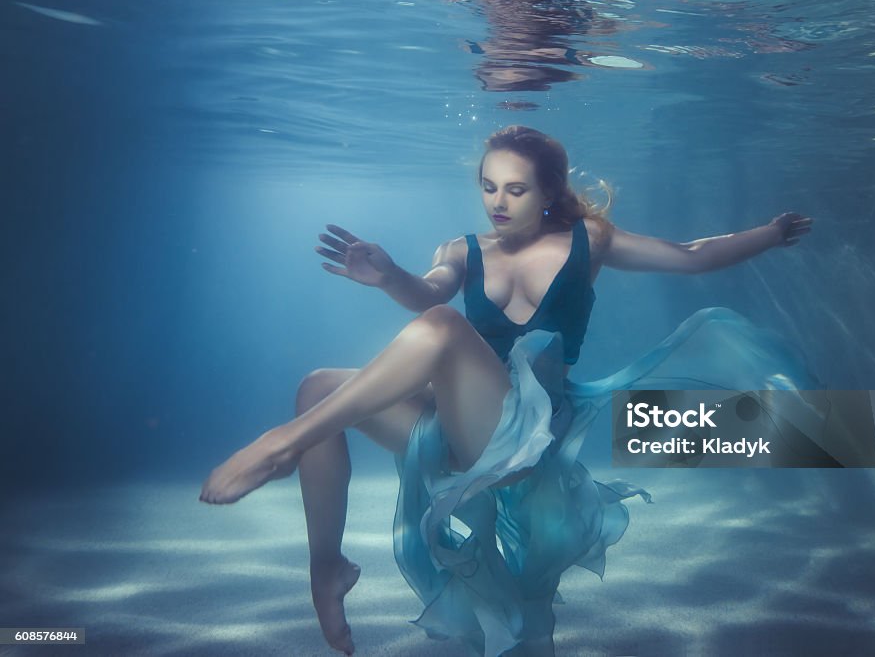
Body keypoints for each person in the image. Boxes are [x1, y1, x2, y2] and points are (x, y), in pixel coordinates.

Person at [199, 125, 813, 656]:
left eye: (515, 189)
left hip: (530, 444)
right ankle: (326, 569)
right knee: (317, 388)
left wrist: (770, 233)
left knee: (442, 330)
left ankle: (282, 447)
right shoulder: (462, 250)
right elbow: (427, 293)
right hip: (460, 431)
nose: (497, 202)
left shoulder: (589, 241)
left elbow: (691, 255)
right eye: (488, 187)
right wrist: (389, 277)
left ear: (549, 192)